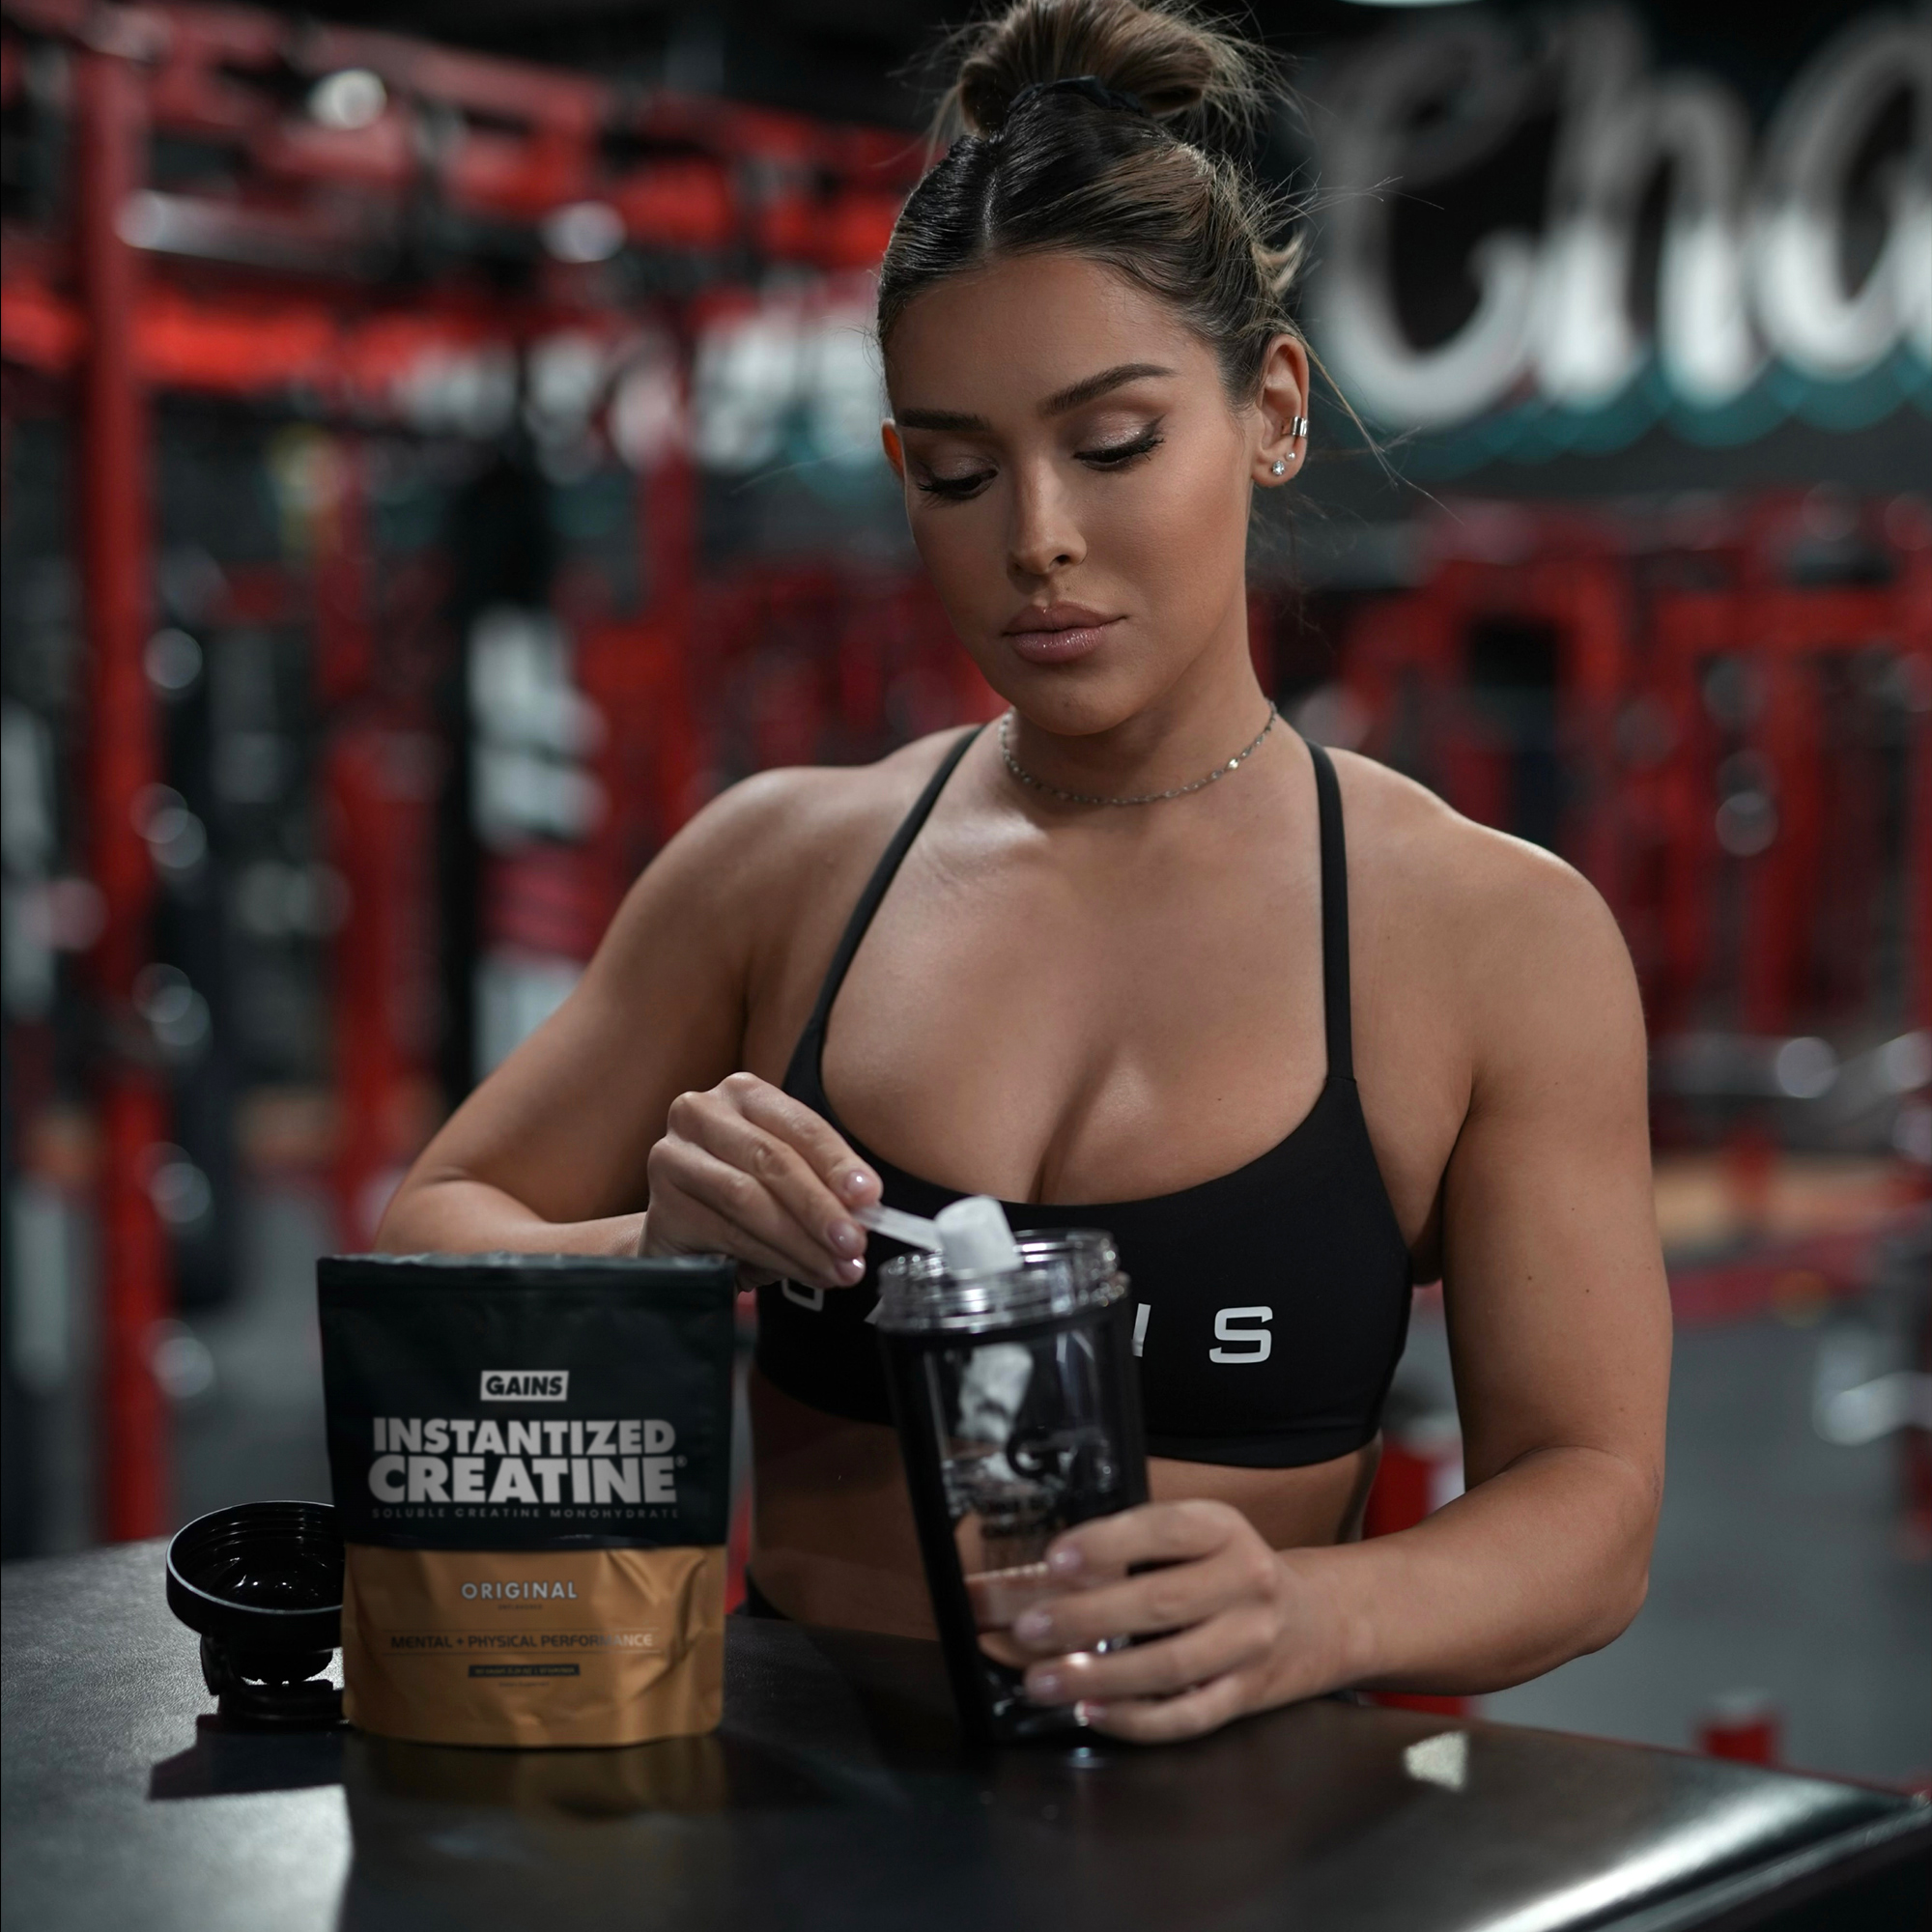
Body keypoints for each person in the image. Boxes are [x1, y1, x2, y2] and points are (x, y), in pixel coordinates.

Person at [379, 0, 1670, 1744]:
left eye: (1114, 444)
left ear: (1270, 410)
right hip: (790, 1838)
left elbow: (1588, 1502)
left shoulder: (1488, 936)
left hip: (1220, 1853)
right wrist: (646, 1248)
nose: (1038, 537)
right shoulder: (784, 865)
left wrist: (1314, 1610)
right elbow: (433, 1237)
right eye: (963, 473)